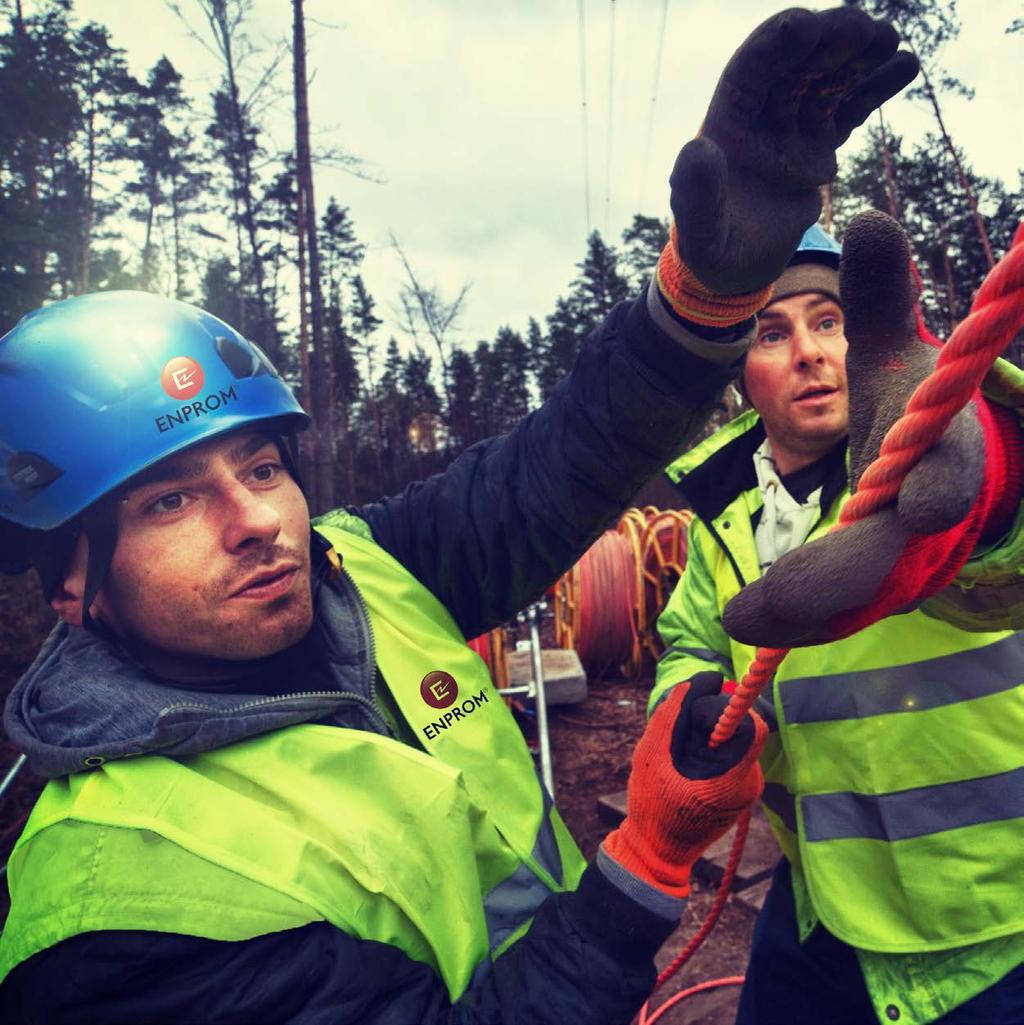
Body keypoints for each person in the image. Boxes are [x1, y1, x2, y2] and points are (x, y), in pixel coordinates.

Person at [0, 7, 919, 1023]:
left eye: (260, 466)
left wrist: (703, 300)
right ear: (72, 579)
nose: (255, 519)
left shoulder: (362, 571)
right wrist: (643, 859)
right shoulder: (114, 916)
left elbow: (562, 459)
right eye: (170, 498)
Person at [654, 206, 1024, 1023]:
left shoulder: (936, 452)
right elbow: (688, 638)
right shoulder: (720, 508)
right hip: (820, 904)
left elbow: (1009, 560)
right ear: (742, 372)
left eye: (832, 321)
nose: (813, 353)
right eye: (773, 333)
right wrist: (690, 707)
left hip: (994, 920)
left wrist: (989, 492)